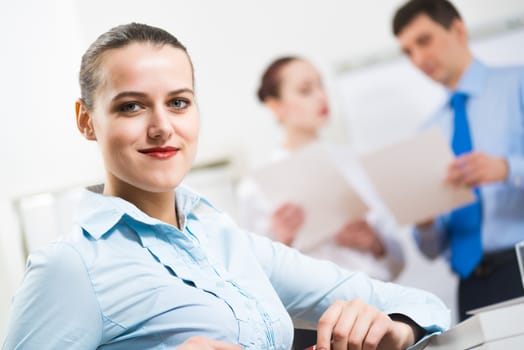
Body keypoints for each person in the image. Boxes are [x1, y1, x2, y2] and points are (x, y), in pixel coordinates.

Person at [3, 23, 449, 349]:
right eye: (132, 106)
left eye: (178, 103)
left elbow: (425, 305)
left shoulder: (227, 242)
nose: (162, 128)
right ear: (87, 121)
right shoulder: (70, 268)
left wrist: (395, 329)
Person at [392, 0, 524, 321]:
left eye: (424, 41)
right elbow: (432, 249)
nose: (419, 59)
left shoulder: (518, 84)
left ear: (458, 30)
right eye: (408, 52)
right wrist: (425, 224)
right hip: (471, 286)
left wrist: (507, 168)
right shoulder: (428, 132)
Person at [237, 56, 404, 282]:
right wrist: (280, 243)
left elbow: (398, 262)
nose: (321, 96)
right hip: (319, 314)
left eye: (321, 85)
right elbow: (254, 281)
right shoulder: (255, 189)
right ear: (275, 106)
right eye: (306, 90)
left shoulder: (354, 162)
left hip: (383, 300)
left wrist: (375, 243)